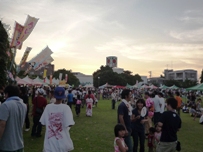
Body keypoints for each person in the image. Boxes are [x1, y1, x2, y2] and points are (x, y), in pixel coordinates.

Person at [40, 87, 75, 152]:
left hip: (50, 143)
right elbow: (70, 124)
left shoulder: (48, 107)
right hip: (63, 142)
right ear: (63, 96)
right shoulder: (66, 108)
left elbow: (43, 122)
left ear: (54, 95)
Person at [0, 85, 27, 152]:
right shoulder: (23, 105)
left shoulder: (5, 105)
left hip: (7, 145)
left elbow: (2, 124)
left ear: (7, 94)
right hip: (19, 143)